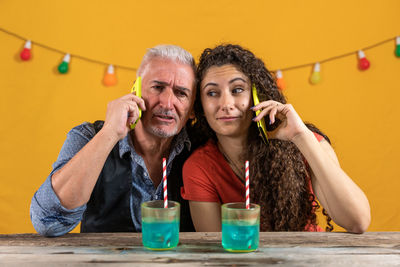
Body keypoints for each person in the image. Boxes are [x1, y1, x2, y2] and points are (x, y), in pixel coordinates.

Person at [182, 44, 371, 233]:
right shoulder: (199, 167)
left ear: (258, 96)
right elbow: (214, 248)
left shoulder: (308, 142)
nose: (226, 104)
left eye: (238, 89)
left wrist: (301, 137)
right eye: (212, 93)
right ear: (200, 105)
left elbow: (357, 221)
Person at [30, 44, 197, 236]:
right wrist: (110, 133)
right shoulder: (88, 137)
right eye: (157, 87)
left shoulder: (203, 149)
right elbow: (48, 222)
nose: (167, 103)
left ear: (192, 108)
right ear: (135, 91)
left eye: (181, 93)